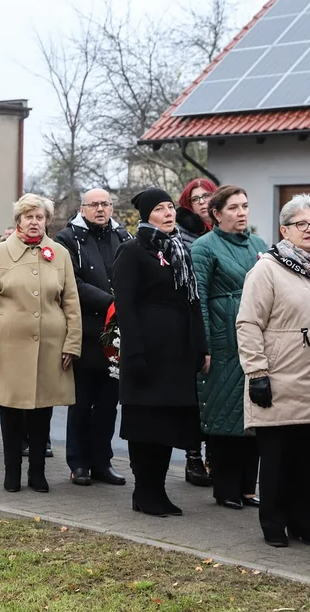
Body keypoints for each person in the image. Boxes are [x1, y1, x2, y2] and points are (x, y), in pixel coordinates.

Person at [236, 194, 310, 548]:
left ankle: (303, 522)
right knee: (278, 460)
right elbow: (248, 323)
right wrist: (256, 372)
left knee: (309, 460)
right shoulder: (267, 269)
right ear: (285, 230)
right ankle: (273, 524)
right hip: (278, 380)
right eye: (302, 224)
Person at [0, 193, 81, 493]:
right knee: (11, 411)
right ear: (18, 220)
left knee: (42, 412)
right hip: (8, 345)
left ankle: (38, 471)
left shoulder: (59, 254)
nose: (34, 222)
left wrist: (72, 343)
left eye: (39, 217)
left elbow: (71, 301)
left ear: (46, 221)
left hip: (50, 345)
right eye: (28, 217)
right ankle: (12, 472)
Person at [112, 188, 205, 516]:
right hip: (147, 352)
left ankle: (160, 490)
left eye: (170, 208)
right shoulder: (132, 251)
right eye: (160, 209)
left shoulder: (181, 250)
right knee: (145, 424)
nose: (168, 214)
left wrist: (200, 347)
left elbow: (193, 302)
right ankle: (144, 491)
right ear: (146, 216)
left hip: (176, 353)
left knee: (167, 424)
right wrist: (134, 353)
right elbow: (125, 305)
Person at [190, 186, 266, 510]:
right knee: (223, 413)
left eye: (245, 206)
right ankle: (225, 488)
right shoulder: (203, 247)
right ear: (216, 213)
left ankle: (249, 488)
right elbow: (199, 301)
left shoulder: (260, 246)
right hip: (223, 341)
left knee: (255, 415)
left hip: (257, 341)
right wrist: (204, 344)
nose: (241, 212)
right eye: (233, 207)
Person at [56, 188, 132, 487]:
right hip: (86, 332)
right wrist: (110, 303)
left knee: (107, 403)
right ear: (82, 208)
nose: (100, 209)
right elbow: (72, 283)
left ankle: (102, 460)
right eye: (94, 204)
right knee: (82, 401)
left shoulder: (122, 237)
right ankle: (78, 463)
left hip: (116, 335)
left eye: (105, 204)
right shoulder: (68, 238)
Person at [174, 178, 217, 487]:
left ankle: (217, 455)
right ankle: (193, 457)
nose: (203, 202)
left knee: (217, 393)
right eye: (197, 198)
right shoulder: (179, 237)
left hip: (223, 321)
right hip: (190, 320)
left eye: (208, 197)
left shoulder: (225, 233)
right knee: (193, 395)